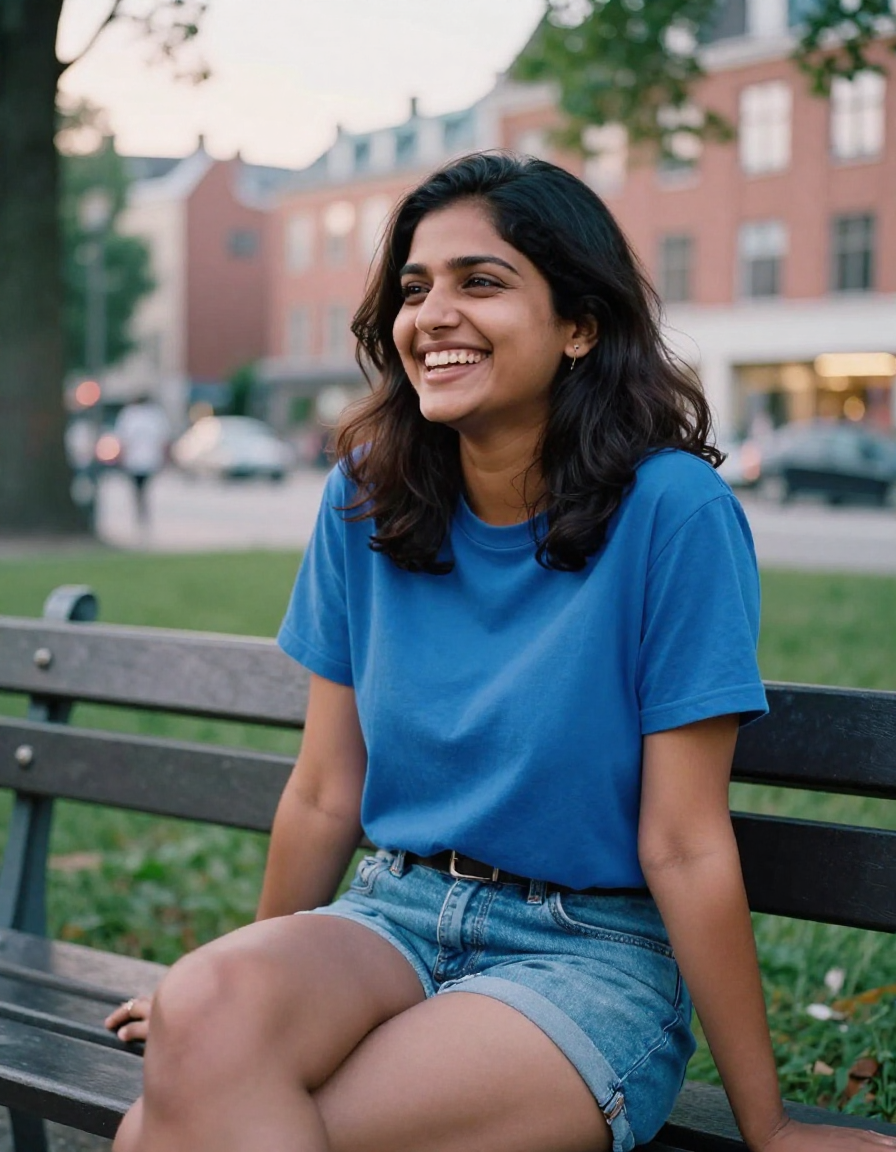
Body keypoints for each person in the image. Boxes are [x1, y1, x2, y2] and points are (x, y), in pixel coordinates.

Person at [105, 153, 895, 1152]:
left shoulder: (671, 514)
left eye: (480, 281)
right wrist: (233, 1011)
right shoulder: (363, 496)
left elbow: (683, 841)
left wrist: (767, 1127)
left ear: (579, 324)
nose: (431, 312)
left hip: (585, 955)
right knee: (206, 1007)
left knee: (157, 1137)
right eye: (413, 288)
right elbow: (321, 792)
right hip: (389, 913)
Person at [113, 393, 171, 525]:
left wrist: (121, 457)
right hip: (144, 459)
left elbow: (122, 440)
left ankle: (141, 511)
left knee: (139, 489)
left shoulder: (130, 415)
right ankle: (142, 512)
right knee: (141, 488)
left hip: (140, 460)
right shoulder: (154, 415)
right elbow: (164, 440)